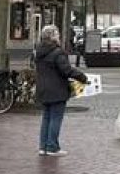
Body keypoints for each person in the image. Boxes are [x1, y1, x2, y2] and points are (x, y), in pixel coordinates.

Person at [35, 25, 88, 157]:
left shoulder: (39, 52)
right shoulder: (58, 52)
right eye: (57, 34)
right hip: (57, 90)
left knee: (46, 118)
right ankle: (52, 147)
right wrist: (82, 77)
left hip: (43, 89)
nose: (59, 36)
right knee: (55, 119)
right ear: (53, 37)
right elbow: (67, 70)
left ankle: (43, 146)